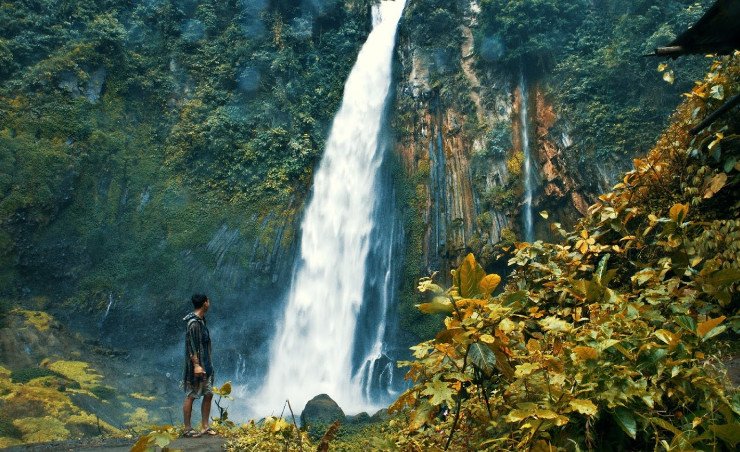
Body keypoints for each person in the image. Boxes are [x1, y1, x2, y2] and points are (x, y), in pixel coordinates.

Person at [181, 293, 217, 437]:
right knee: (191, 395)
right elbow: (191, 346)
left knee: (208, 394)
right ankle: (187, 429)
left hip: (206, 365)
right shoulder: (194, 323)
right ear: (204, 303)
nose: (209, 303)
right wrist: (196, 365)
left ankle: (205, 426)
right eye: (208, 301)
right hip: (198, 367)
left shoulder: (201, 320)